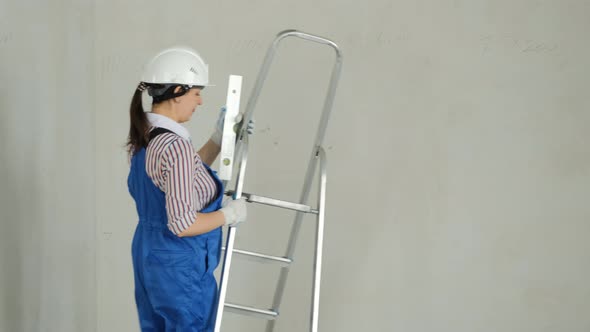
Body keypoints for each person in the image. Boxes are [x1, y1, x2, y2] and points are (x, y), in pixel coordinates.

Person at [126, 46, 251, 331]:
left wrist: (220, 138)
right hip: (180, 262)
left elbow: (183, 180)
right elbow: (183, 223)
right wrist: (229, 215)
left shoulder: (145, 137)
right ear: (177, 91)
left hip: (150, 255)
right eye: (196, 93)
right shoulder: (176, 147)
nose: (201, 101)